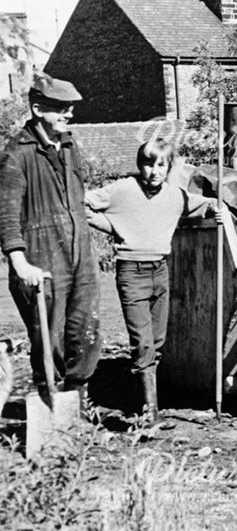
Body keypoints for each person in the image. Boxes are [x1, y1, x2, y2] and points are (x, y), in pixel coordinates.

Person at [84, 139, 219, 420]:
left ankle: (146, 403)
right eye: (148, 164)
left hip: (160, 271)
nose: (154, 171)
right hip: (132, 272)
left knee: (157, 342)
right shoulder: (123, 190)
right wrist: (113, 227)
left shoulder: (175, 196)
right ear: (139, 165)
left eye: (161, 164)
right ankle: (149, 412)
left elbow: (203, 204)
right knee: (142, 341)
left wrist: (215, 208)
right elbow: (82, 204)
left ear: (168, 167)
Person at [0, 74, 100, 405]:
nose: (69, 113)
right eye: (61, 108)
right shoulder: (17, 155)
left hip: (80, 258)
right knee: (49, 337)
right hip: (42, 262)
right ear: (38, 108)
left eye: (70, 107)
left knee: (85, 333)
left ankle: (77, 407)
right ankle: (51, 403)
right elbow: (6, 216)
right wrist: (20, 263)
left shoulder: (70, 147)